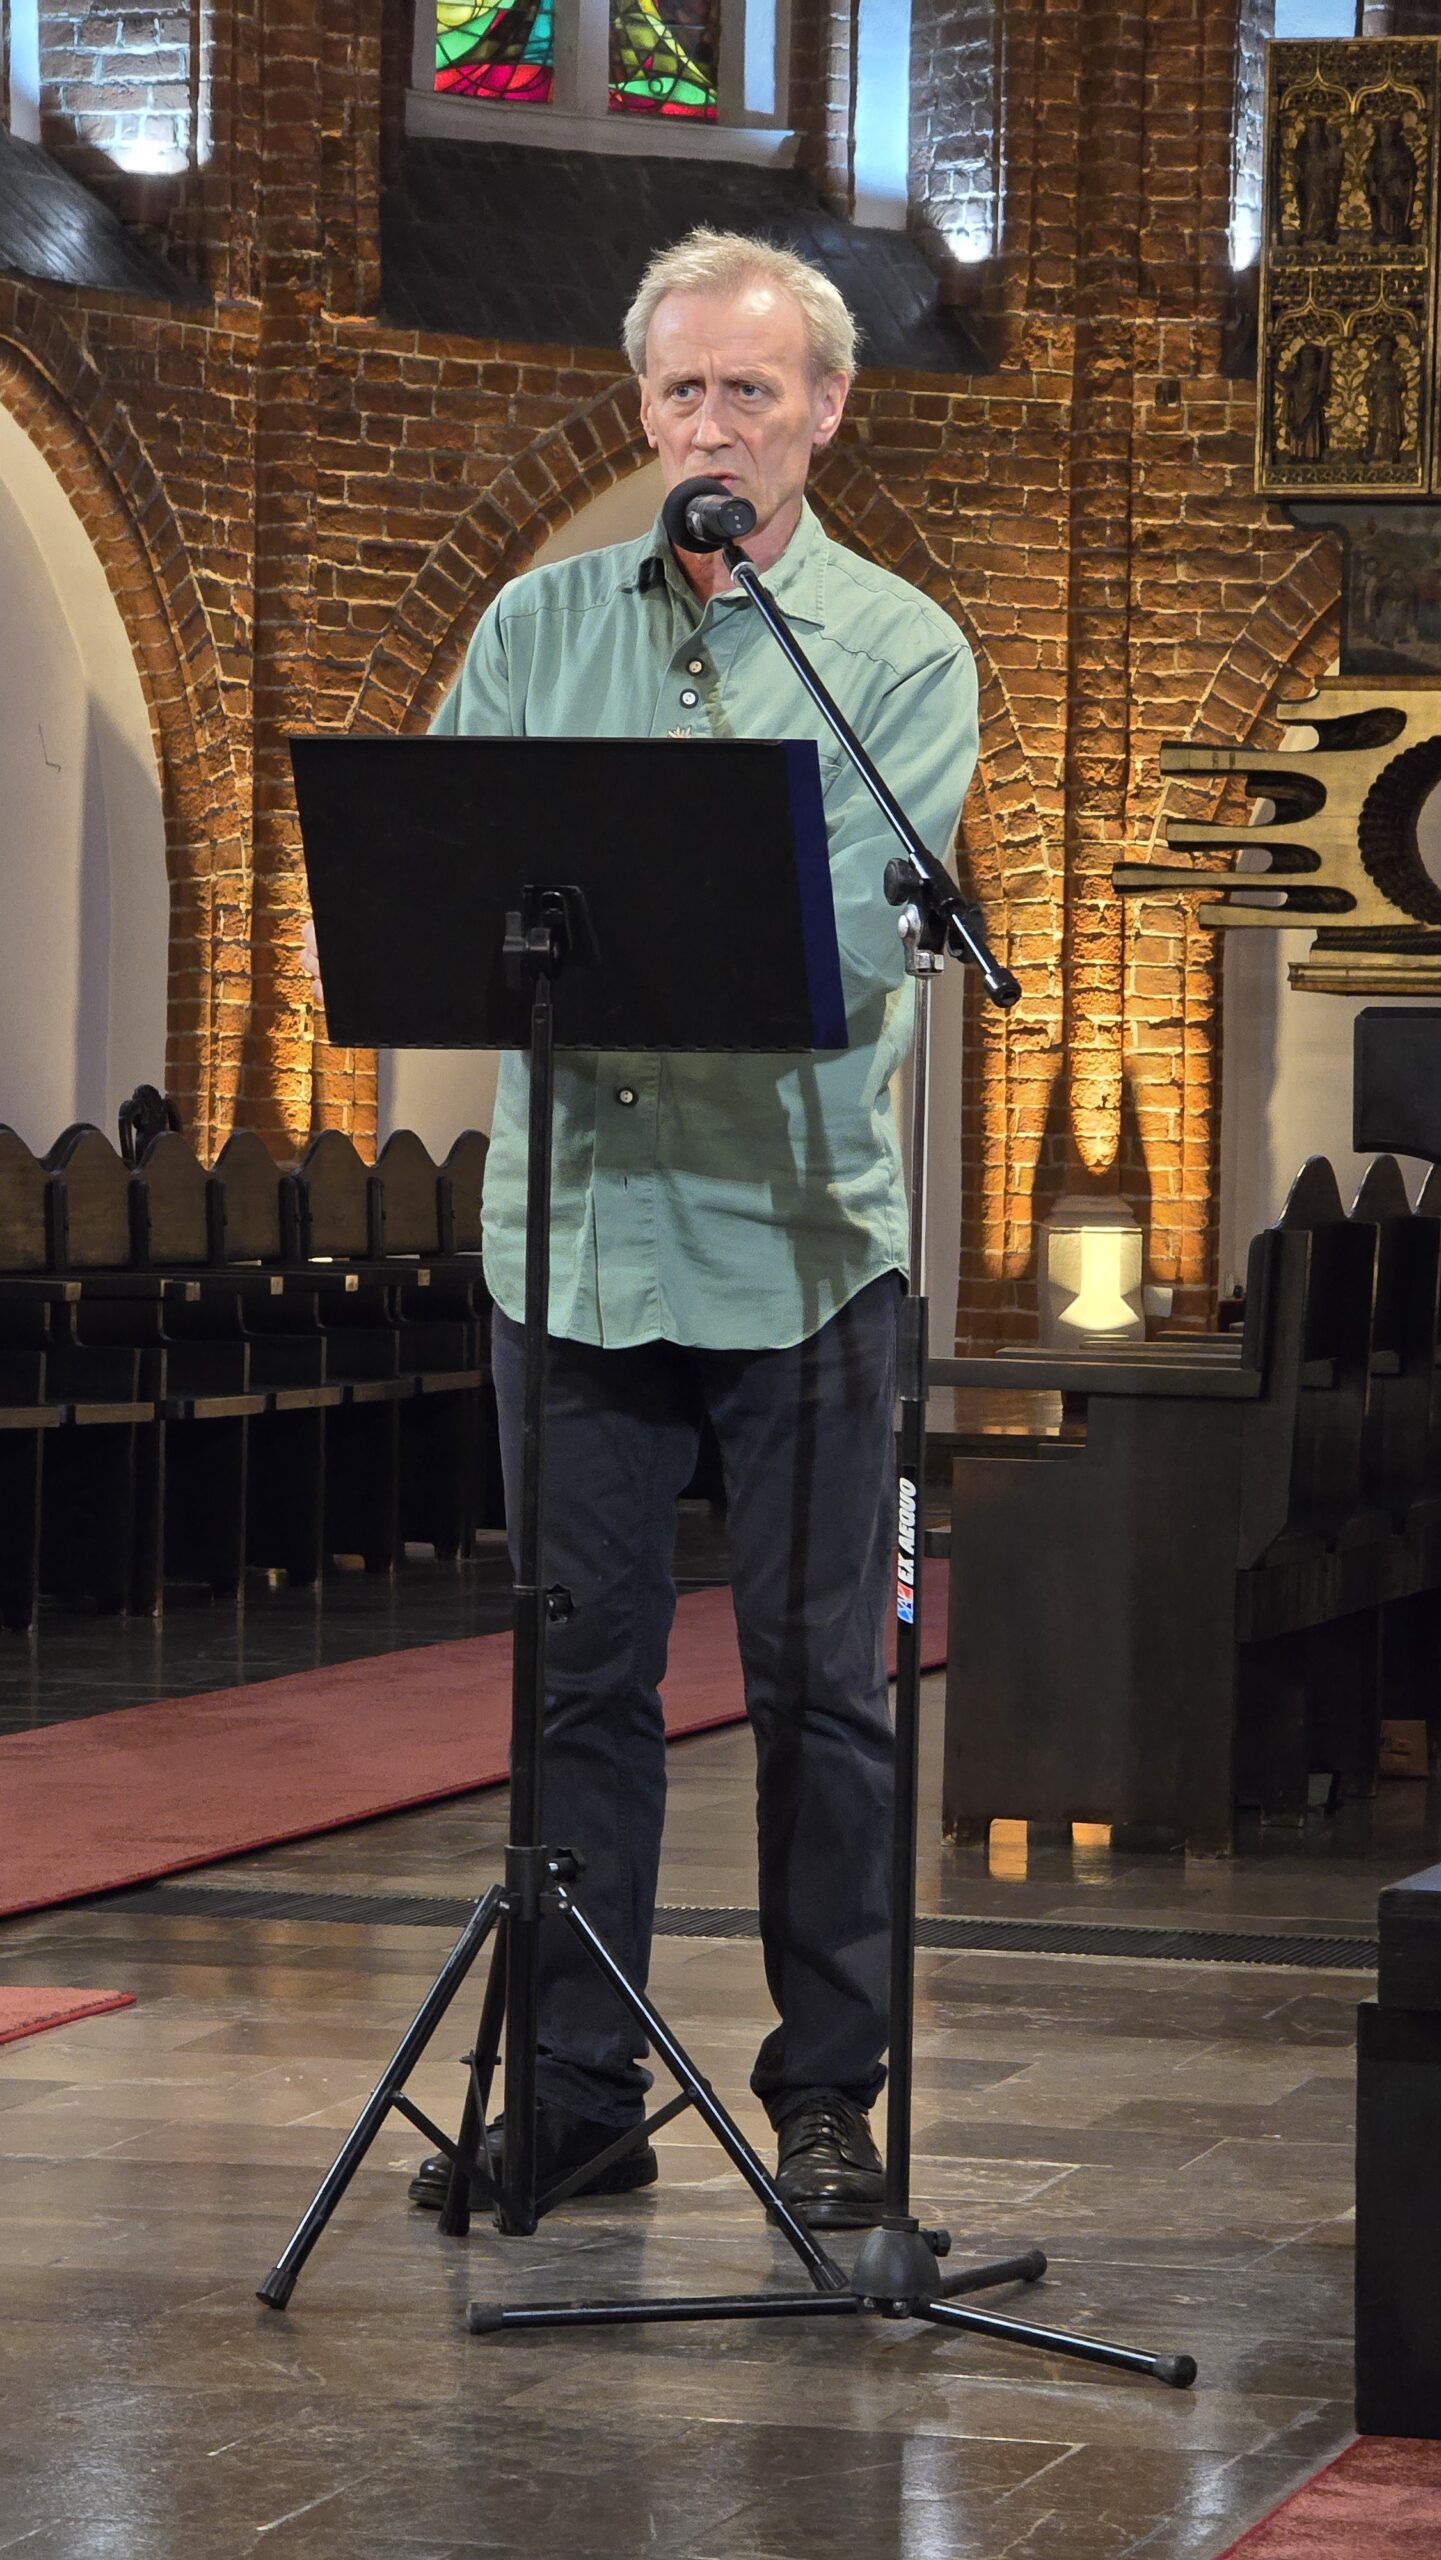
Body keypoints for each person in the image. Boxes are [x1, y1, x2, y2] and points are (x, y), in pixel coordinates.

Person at [410, 228, 978, 2229]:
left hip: (795, 1243)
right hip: (573, 1240)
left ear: (824, 410)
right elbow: (454, 885)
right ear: (641, 412)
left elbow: (837, 937)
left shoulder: (892, 649)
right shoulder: (535, 625)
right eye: (681, 391)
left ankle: (827, 2098)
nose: (712, 425)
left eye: (751, 389)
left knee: (824, 1694)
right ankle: (578, 2091)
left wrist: (628, 904)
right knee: (577, 1687)